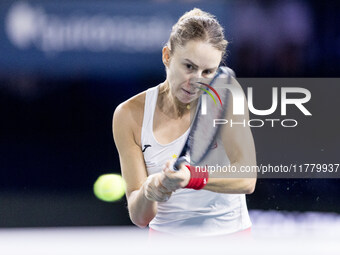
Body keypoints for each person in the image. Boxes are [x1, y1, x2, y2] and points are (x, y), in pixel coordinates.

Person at [113, 8, 256, 237]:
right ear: (167, 56)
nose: (197, 81)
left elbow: (247, 178)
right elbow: (140, 217)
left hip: (230, 240)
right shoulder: (128, 114)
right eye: (189, 67)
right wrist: (150, 191)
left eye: (208, 71)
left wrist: (192, 177)